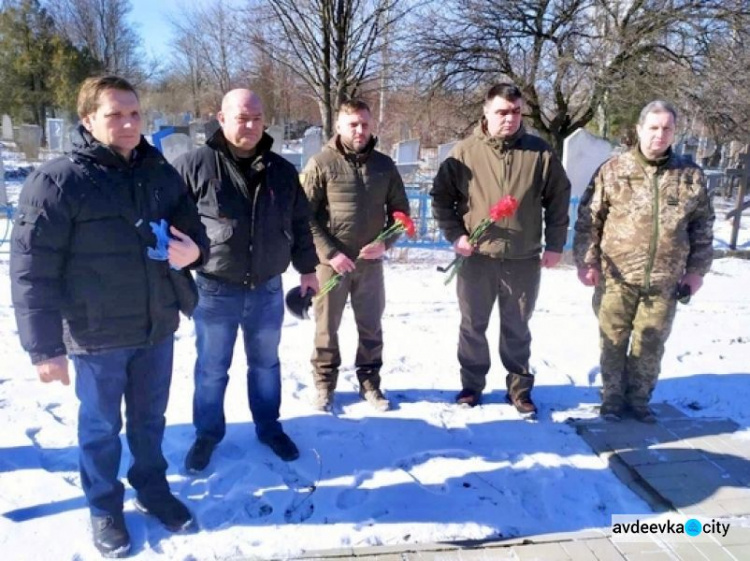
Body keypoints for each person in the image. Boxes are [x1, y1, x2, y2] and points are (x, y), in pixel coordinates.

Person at [10, 75, 209, 558]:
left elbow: (194, 230)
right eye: (114, 114)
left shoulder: (159, 171)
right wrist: (45, 348)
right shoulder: (57, 181)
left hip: (156, 323)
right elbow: (32, 270)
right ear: (87, 120)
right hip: (95, 332)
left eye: (134, 113)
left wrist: (194, 253)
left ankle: (152, 488)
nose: (127, 123)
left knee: (150, 421)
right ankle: (103, 505)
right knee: (100, 428)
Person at [173, 89, 319, 472]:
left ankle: (269, 428)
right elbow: (172, 225)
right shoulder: (194, 166)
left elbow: (301, 222)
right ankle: (207, 434)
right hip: (214, 287)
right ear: (221, 118)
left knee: (266, 365)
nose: (250, 125)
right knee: (210, 368)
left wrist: (307, 269)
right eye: (242, 118)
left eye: (256, 118)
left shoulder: (281, 171)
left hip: (267, 289)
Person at [430, 83, 571, 413]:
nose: (510, 118)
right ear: (486, 112)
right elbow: (441, 199)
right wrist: (456, 235)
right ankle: (472, 385)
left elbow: (558, 199)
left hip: (522, 258)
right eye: (502, 112)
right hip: (476, 258)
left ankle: (519, 388)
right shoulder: (464, 153)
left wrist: (555, 244)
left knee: (518, 327)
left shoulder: (540, 153)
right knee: (473, 325)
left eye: (516, 111)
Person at [573, 100, 714, 423]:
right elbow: (588, 220)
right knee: (613, 340)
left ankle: (638, 401)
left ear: (674, 132)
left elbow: (703, 227)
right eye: (653, 127)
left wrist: (696, 271)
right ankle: (611, 400)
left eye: (666, 128)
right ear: (639, 130)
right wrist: (587, 262)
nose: (659, 135)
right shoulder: (613, 171)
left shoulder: (689, 176)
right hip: (616, 277)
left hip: (666, 279)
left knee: (650, 344)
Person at [301, 99, 410, 412]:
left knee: (371, 326)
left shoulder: (384, 166)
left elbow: (400, 212)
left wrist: (385, 244)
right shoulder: (321, 164)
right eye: (353, 124)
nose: (360, 130)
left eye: (364, 123)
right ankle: (324, 385)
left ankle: (370, 381)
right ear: (339, 126)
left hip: (369, 264)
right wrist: (331, 253)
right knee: (326, 328)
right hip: (331, 265)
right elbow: (304, 217)